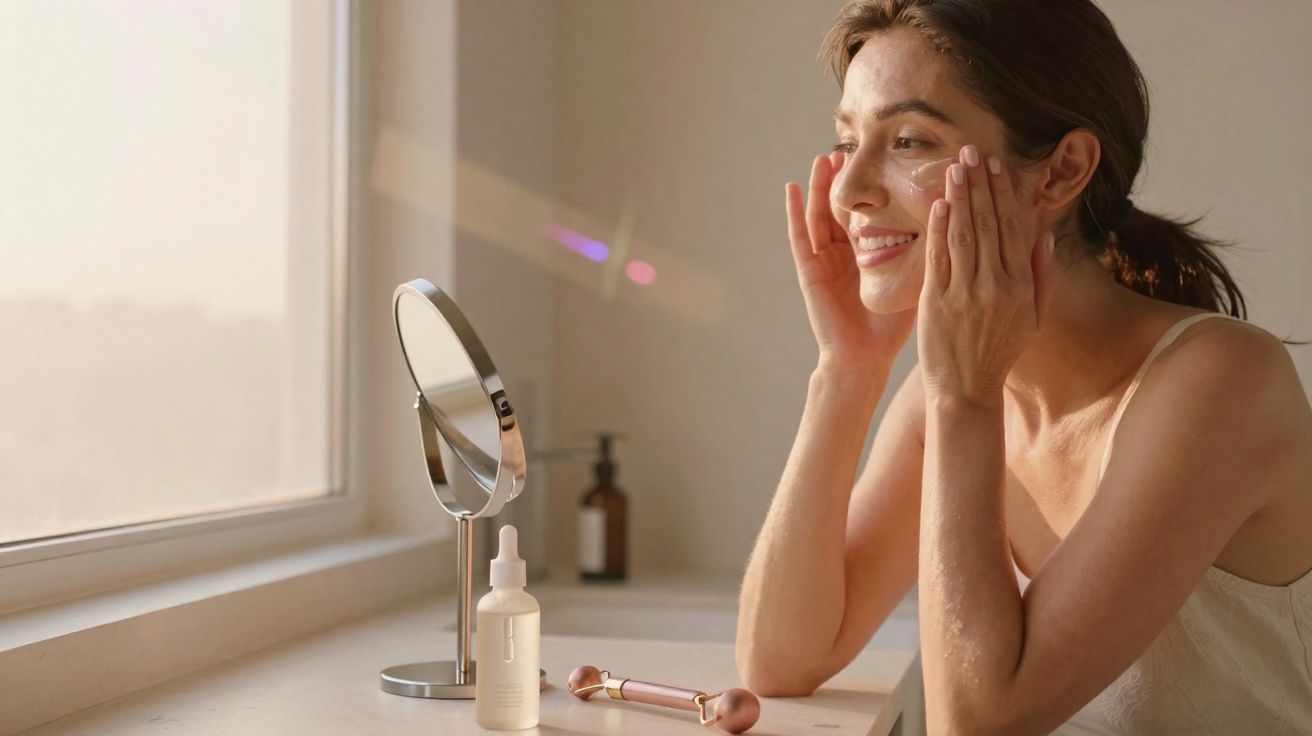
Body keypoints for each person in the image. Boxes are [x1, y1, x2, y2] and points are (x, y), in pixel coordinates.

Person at [734, 1, 1312, 733]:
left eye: (909, 140)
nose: (849, 192)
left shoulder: (1222, 383)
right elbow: (779, 658)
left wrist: (963, 400)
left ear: (1061, 171)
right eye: (848, 141)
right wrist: (846, 370)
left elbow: (976, 723)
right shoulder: (951, 394)